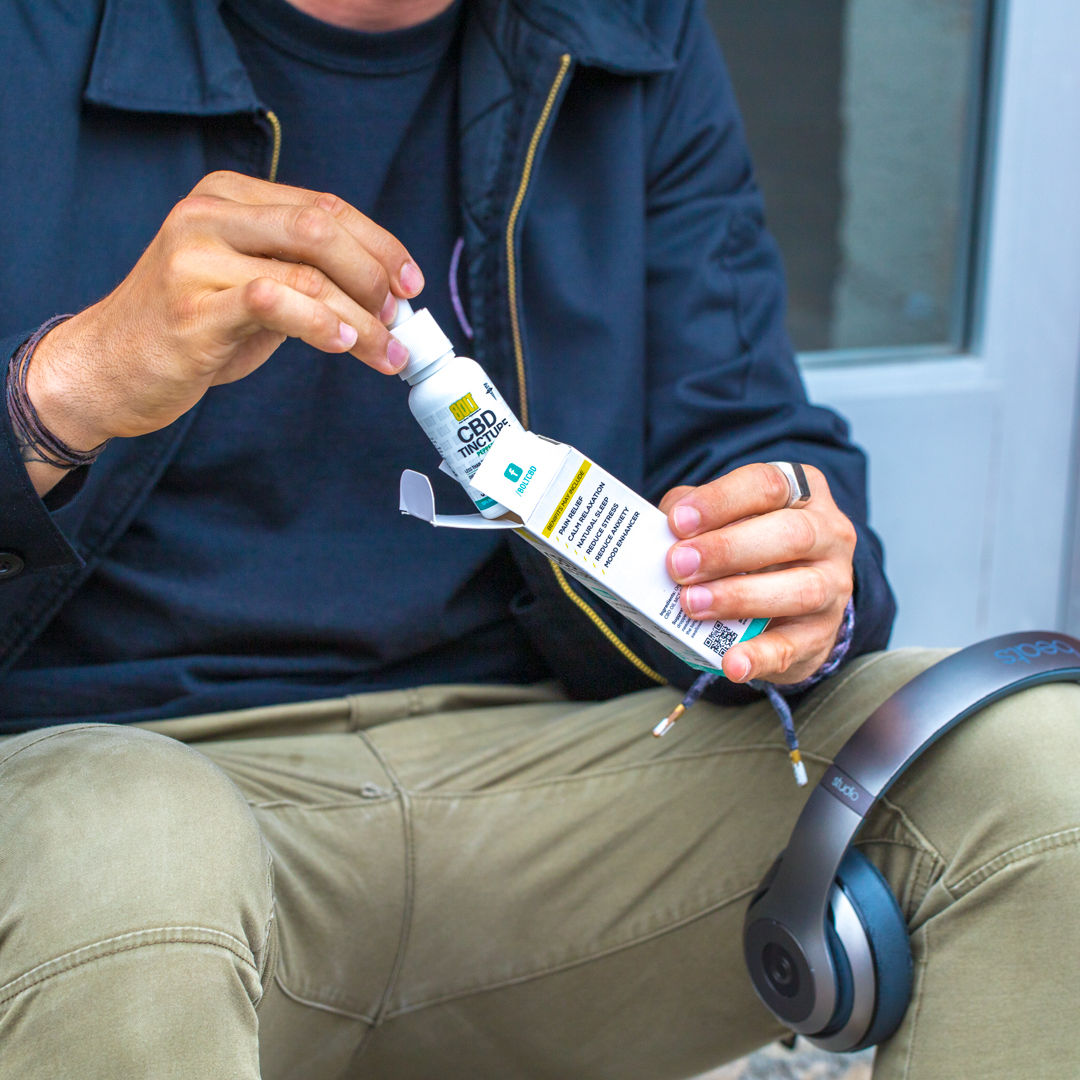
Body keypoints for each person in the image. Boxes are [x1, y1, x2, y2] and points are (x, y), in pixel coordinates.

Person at [0, 0, 1077, 1077]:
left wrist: (801, 572)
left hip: (557, 792)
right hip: (118, 784)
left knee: (1029, 759)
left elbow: (747, 427)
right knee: (135, 846)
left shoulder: (623, 29)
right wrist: (68, 386)